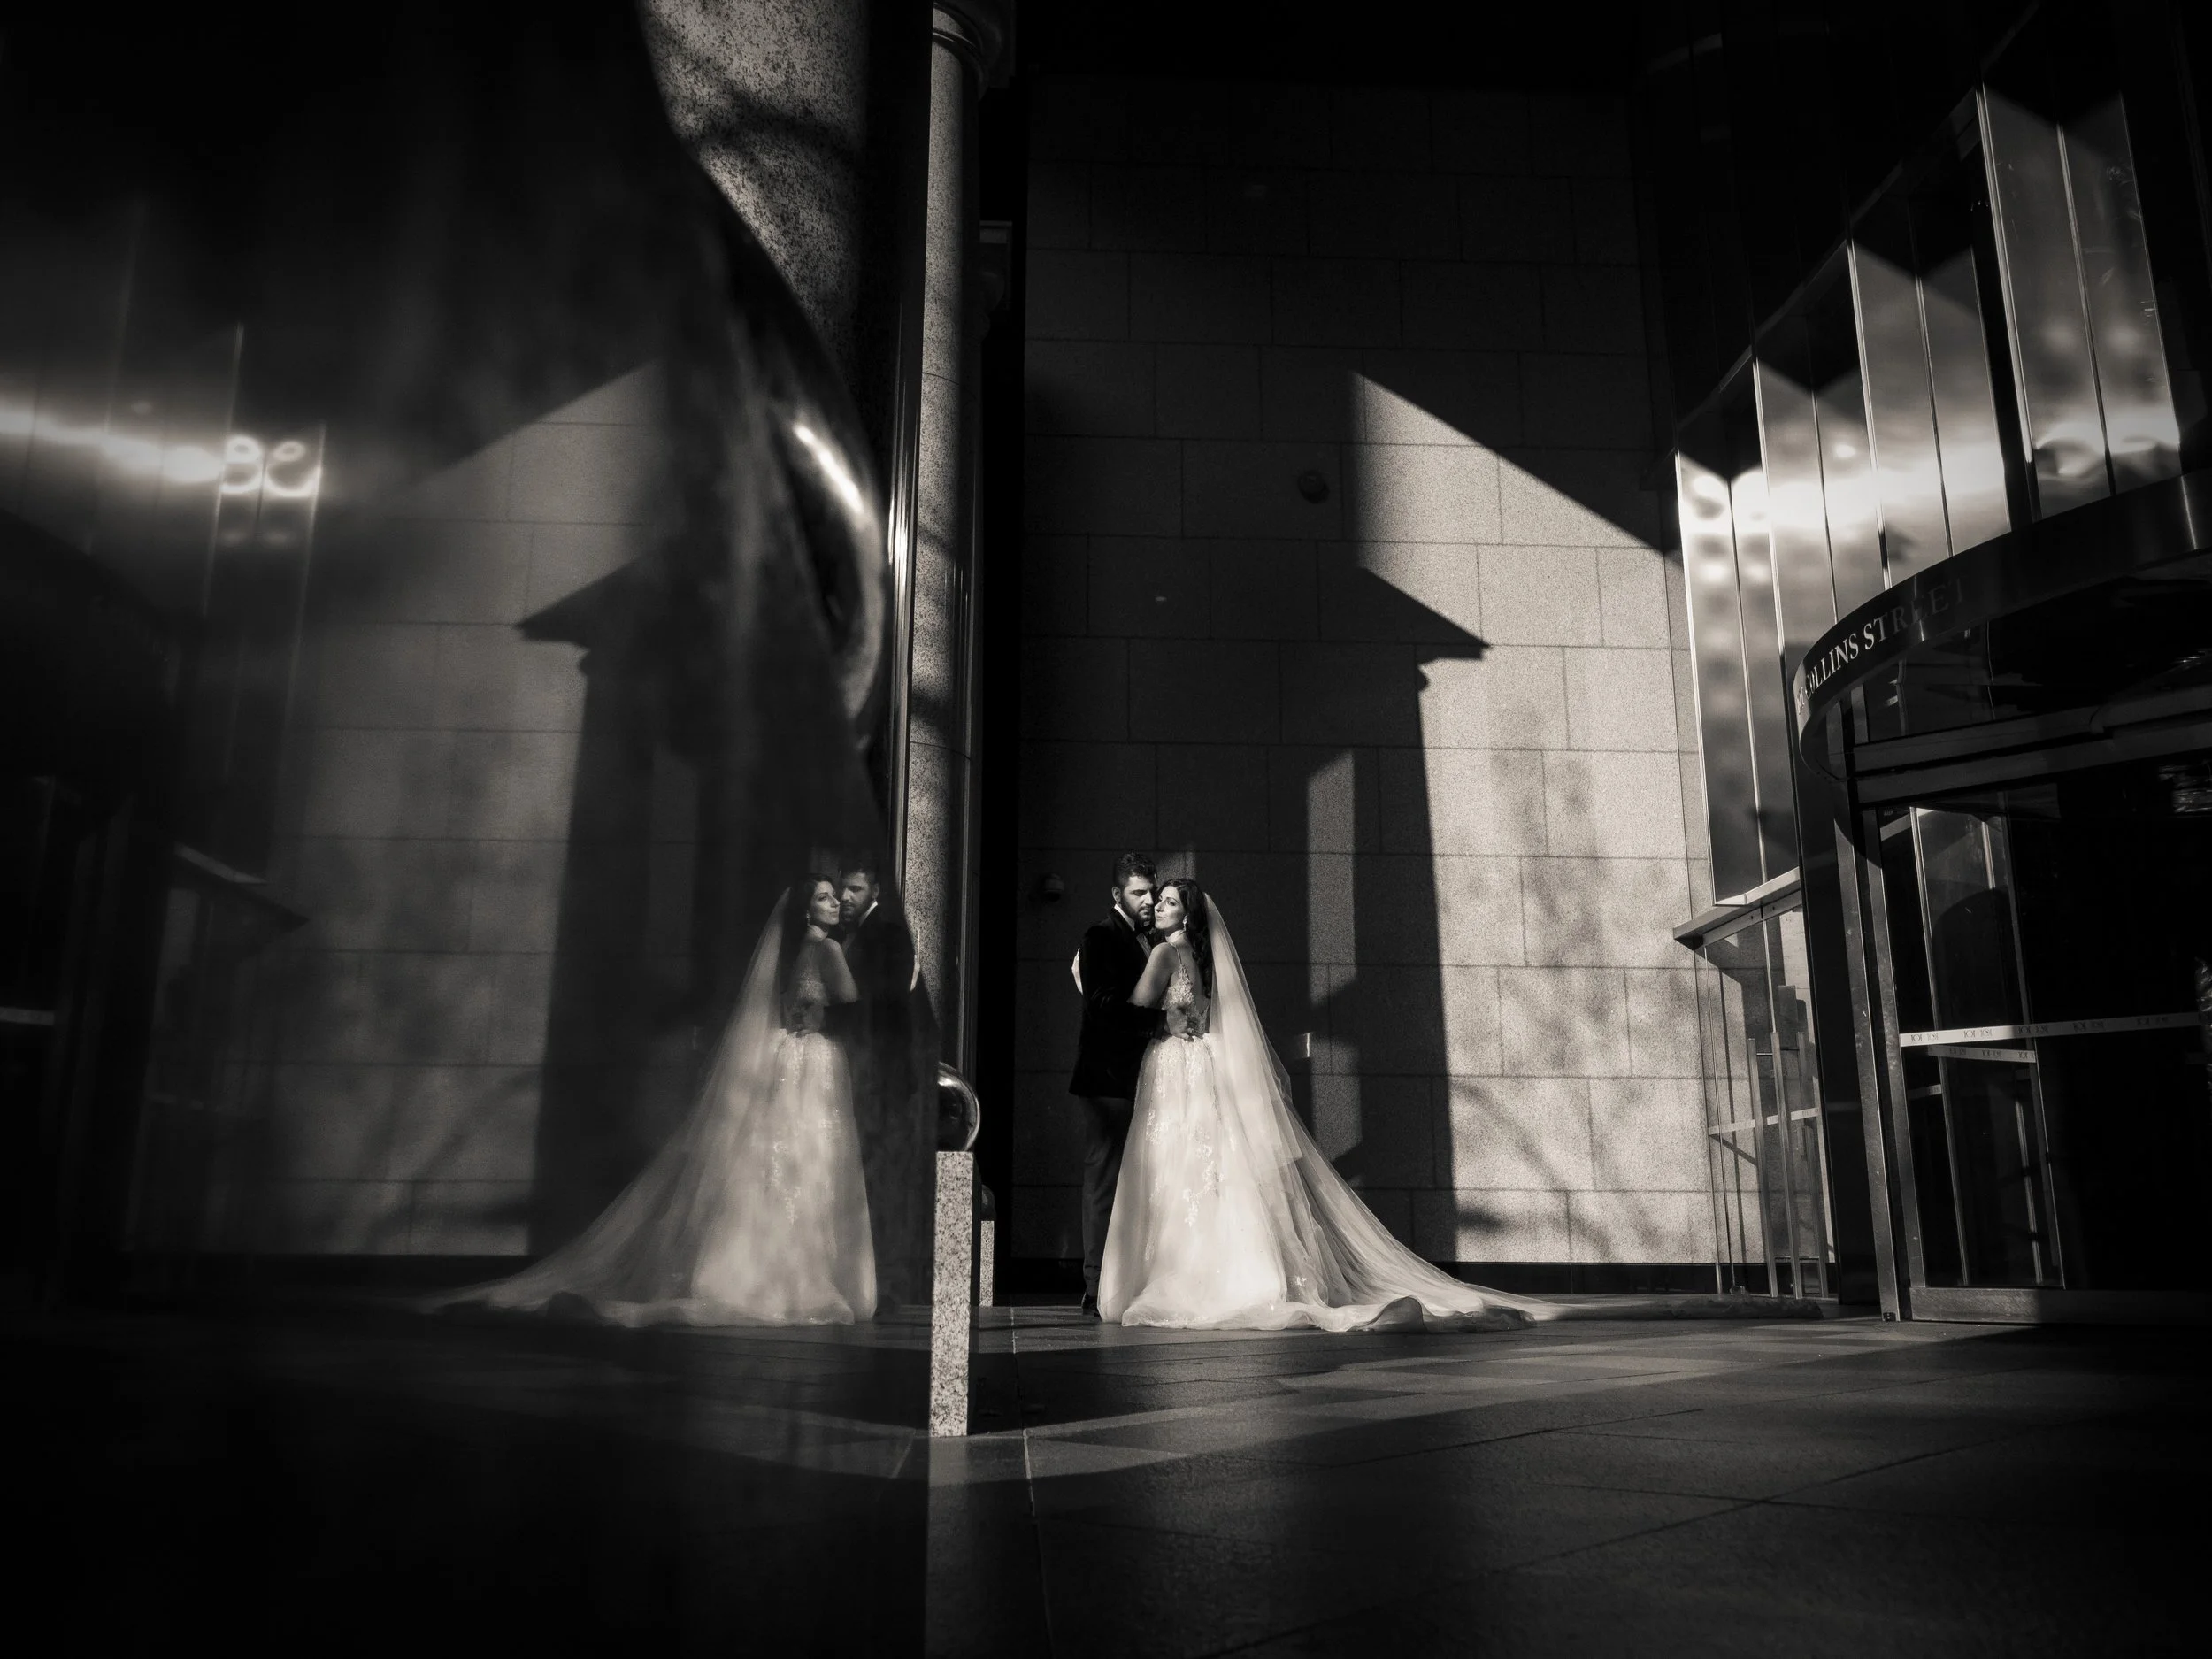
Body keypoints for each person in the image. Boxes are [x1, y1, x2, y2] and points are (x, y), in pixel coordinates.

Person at [1098, 877, 1555, 1333]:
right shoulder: (1201, 957)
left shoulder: (1163, 954)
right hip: (1205, 1063)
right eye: (1158, 901)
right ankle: (1238, 1268)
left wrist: (1091, 985)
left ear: (1187, 915)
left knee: (1172, 1165)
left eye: (1170, 903)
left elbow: (1136, 1008)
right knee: (1208, 1168)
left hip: (1175, 1064)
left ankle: (1178, 1271)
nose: (1159, 907)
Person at [437, 874, 876, 1325]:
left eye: (832, 897)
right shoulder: (826, 949)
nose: (832, 904)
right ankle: (795, 1270)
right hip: (812, 1060)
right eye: (823, 898)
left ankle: (761, 1263)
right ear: (806, 910)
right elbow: (849, 996)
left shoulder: (791, 952)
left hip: (782, 1053)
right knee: (811, 1157)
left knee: (778, 1159)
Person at [1067, 852, 1161, 1317]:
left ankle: (1125, 1278)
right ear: (1116, 894)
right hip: (1107, 1079)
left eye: (1150, 891)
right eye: (1137, 892)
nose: (1147, 900)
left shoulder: (1149, 940)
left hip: (1139, 1078)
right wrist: (1159, 1021)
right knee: (1103, 1181)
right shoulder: (1101, 936)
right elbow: (1103, 1006)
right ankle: (1095, 1284)